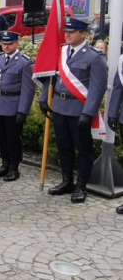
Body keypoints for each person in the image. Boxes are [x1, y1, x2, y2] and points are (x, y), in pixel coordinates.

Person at [40, 18, 106, 204]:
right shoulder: (61, 51)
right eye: (66, 31)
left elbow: (97, 88)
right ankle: (67, 181)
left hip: (79, 109)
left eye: (72, 32)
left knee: (83, 150)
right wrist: (44, 98)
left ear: (83, 34)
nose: (67, 34)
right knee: (64, 147)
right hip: (60, 107)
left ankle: (81, 186)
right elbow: (50, 77)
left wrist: (88, 112)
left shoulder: (95, 56)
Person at [0, 31, 36, 182]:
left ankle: (14, 167)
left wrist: (23, 110)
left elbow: (28, 89)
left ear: (17, 44)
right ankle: (4, 164)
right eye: (4, 43)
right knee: (1, 137)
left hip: (14, 105)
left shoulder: (25, 62)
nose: (6, 46)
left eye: (10, 43)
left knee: (13, 138)